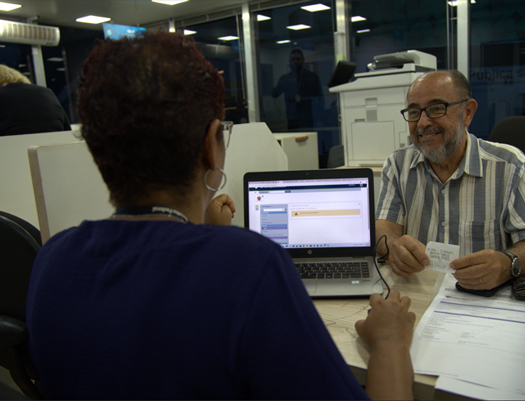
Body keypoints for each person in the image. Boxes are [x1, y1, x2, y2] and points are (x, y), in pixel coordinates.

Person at [26, 32, 415, 400]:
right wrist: (390, 341)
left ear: (96, 150)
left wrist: (204, 234)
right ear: (211, 145)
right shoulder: (248, 264)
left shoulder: (52, 259)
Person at [376, 70, 525, 291]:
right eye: (414, 112)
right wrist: (394, 247)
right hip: (420, 291)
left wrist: (508, 263)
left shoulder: (510, 166)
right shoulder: (398, 164)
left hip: (482, 298)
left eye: (436, 108)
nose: (422, 122)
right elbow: (383, 227)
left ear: (467, 112)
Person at [0, 64, 70, 136]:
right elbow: (66, 128)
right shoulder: (46, 92)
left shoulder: (2, 95)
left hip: (12, 142)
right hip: (55, 141)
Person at [272, 49, 324, 130]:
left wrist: (320, 118)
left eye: (298, 59)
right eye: (293, 59)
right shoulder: (285, 78)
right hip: (292, 118)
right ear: (290, 61)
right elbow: (274, 94)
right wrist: (282, 84)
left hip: (309, 117)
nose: (295, 61)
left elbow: (320, 99)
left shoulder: (312, 77)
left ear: (303, 60)